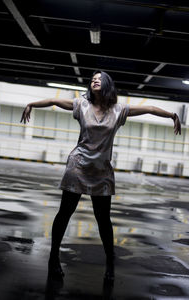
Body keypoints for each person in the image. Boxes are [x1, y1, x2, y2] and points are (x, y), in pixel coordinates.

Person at [20, 70, 181, 282]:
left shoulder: (119, 110)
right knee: (65, 213)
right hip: (77, 165)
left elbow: (149, 108)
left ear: (107, 84)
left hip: (102, 169)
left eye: (99, 79)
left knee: (103, 219)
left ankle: (110, 263)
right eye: (92, 79)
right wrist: (31, 103)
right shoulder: (81, 105)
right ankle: (53, 257)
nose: (94, 81)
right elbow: (53, 100)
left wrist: (172, 115)